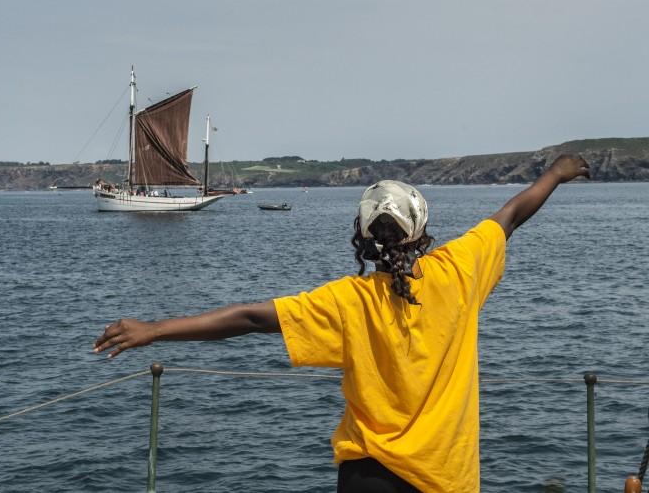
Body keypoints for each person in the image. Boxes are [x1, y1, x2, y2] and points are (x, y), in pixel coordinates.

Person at [94, 154, 590, 492]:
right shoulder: (460, 271)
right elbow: (512, 214)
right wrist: (556, 172)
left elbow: (248, 318)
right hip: (445, 477)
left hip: (366, 475)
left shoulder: (348, 302)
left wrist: (155, 329)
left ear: (364, 236)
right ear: (421, 230)